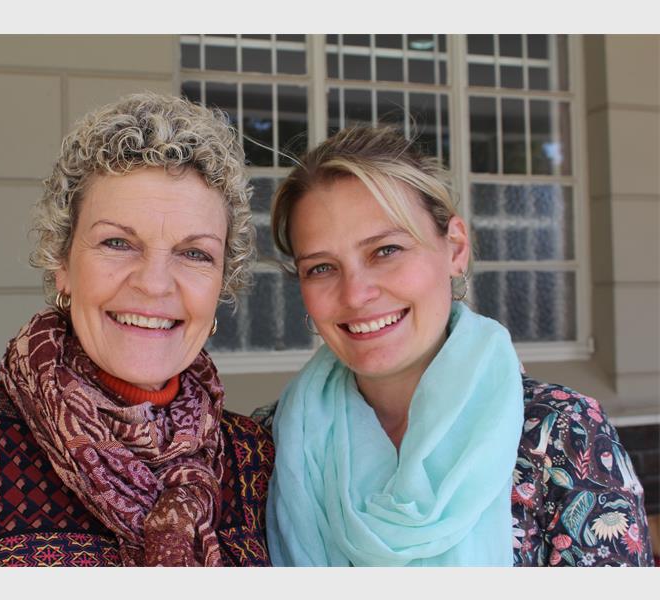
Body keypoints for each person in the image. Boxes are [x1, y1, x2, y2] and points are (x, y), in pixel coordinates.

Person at [0, 93, 274, 567]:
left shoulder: (252, 458)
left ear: (221, 282)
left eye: (195, 253)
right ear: (62, 264)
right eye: (117, 242)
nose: (155, 284)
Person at [261, 125, 654, 566]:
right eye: (321, 268)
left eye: (386, 250)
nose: (355, 294)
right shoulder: (267, 446)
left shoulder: (562, 435)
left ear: (455, 248)